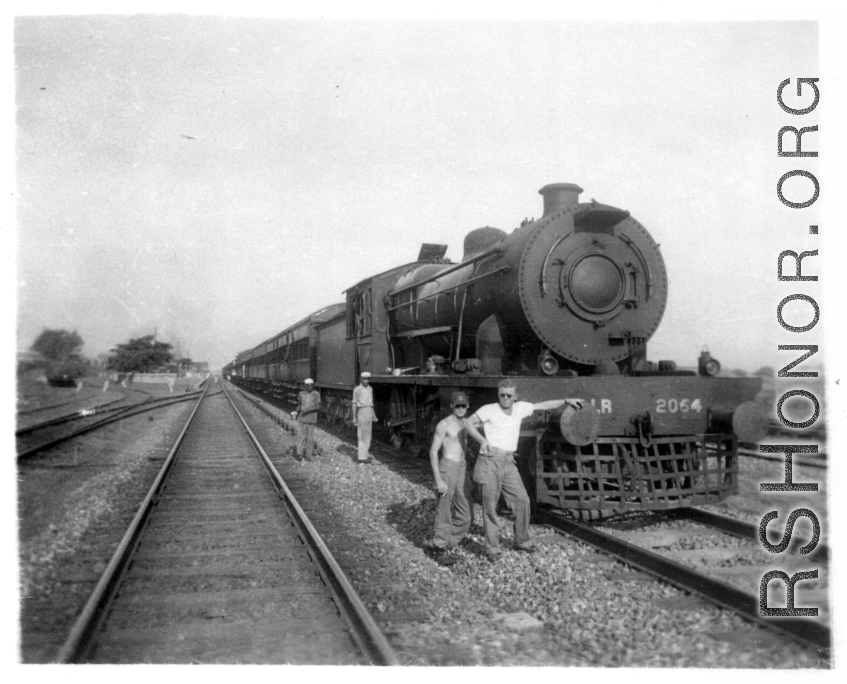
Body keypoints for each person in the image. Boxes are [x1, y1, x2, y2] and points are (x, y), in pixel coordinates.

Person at [465, 379, 583, 561]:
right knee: (489, 506)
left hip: (508, 461)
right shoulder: (488, 409)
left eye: (508, 396)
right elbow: (468, 423)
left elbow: (543, 405)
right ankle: (492, 549)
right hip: (490, 461)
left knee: (522, 500)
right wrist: (482, 440)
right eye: (502, 395)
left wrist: (567, 401)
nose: (505, 398)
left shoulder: (520, 408)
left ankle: (521, 540)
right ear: (498, 395)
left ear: (515, 396)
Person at [427, 391, 474, 566]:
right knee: (444, 510)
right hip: (447, 467)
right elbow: (432, 452)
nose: (461, 409)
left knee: (465, 515)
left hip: (461, 468)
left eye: (464, 405)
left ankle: (447, 543)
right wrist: (438, 480)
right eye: (457, 406)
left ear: (467, 406)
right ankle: (438, 547)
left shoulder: (467, 424)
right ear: (452, 406)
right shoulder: (444, 425)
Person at [291, 378, 321, 461]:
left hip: (312, 418)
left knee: (310, 438)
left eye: (311, 385)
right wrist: (295, 411)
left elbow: (318, 407)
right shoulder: (301, 394)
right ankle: (299, 454)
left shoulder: (316, 394)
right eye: (308, 385)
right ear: (305, 386)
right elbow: (299, 405)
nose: (310, 387)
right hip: (302, 418)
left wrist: (308, 410)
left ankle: (308, 455)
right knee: (301, 436)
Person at [352, 371, 378, 464]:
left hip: (369, 412)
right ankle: (361, 457)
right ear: (361, 379)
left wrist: (374, 415)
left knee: (368, 434)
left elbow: (371, 404)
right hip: (362, 411)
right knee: (361, 435)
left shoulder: (370, 389)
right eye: (364, 379)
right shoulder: (357, 390)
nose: (366, 381)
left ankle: (365, 453)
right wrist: (354, 417)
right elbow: (354, 403)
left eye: (368, 379)